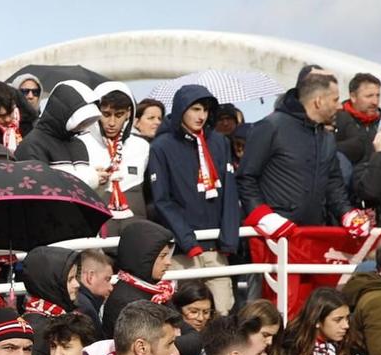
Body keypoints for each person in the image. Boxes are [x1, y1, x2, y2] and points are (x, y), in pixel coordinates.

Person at [145, 85, 241, 313]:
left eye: (206, 110)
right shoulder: (161, 146)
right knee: (185, 315)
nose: (202, 116)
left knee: (223, 311)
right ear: (180, 110)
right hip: (182, 250)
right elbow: (162, 199)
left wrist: (229, 240)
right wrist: (188, 241)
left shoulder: (219, 142)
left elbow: (229, 192)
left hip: (216, 247)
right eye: (196, 109)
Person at [240, 73, 352, 230]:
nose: (340, 106)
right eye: (335, 99)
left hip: (313, 233)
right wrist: (263, 215)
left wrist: (347, 214)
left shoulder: (327, 137)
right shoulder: (271, 127)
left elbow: (333, 182)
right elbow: (246, 177)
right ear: (318, 101)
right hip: (274, 236)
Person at [271, 286, 353, 355]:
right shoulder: (289, 348)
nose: (346, 325)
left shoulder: (351, 347)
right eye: (338, 320)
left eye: (347, 318)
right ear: (317, 321)